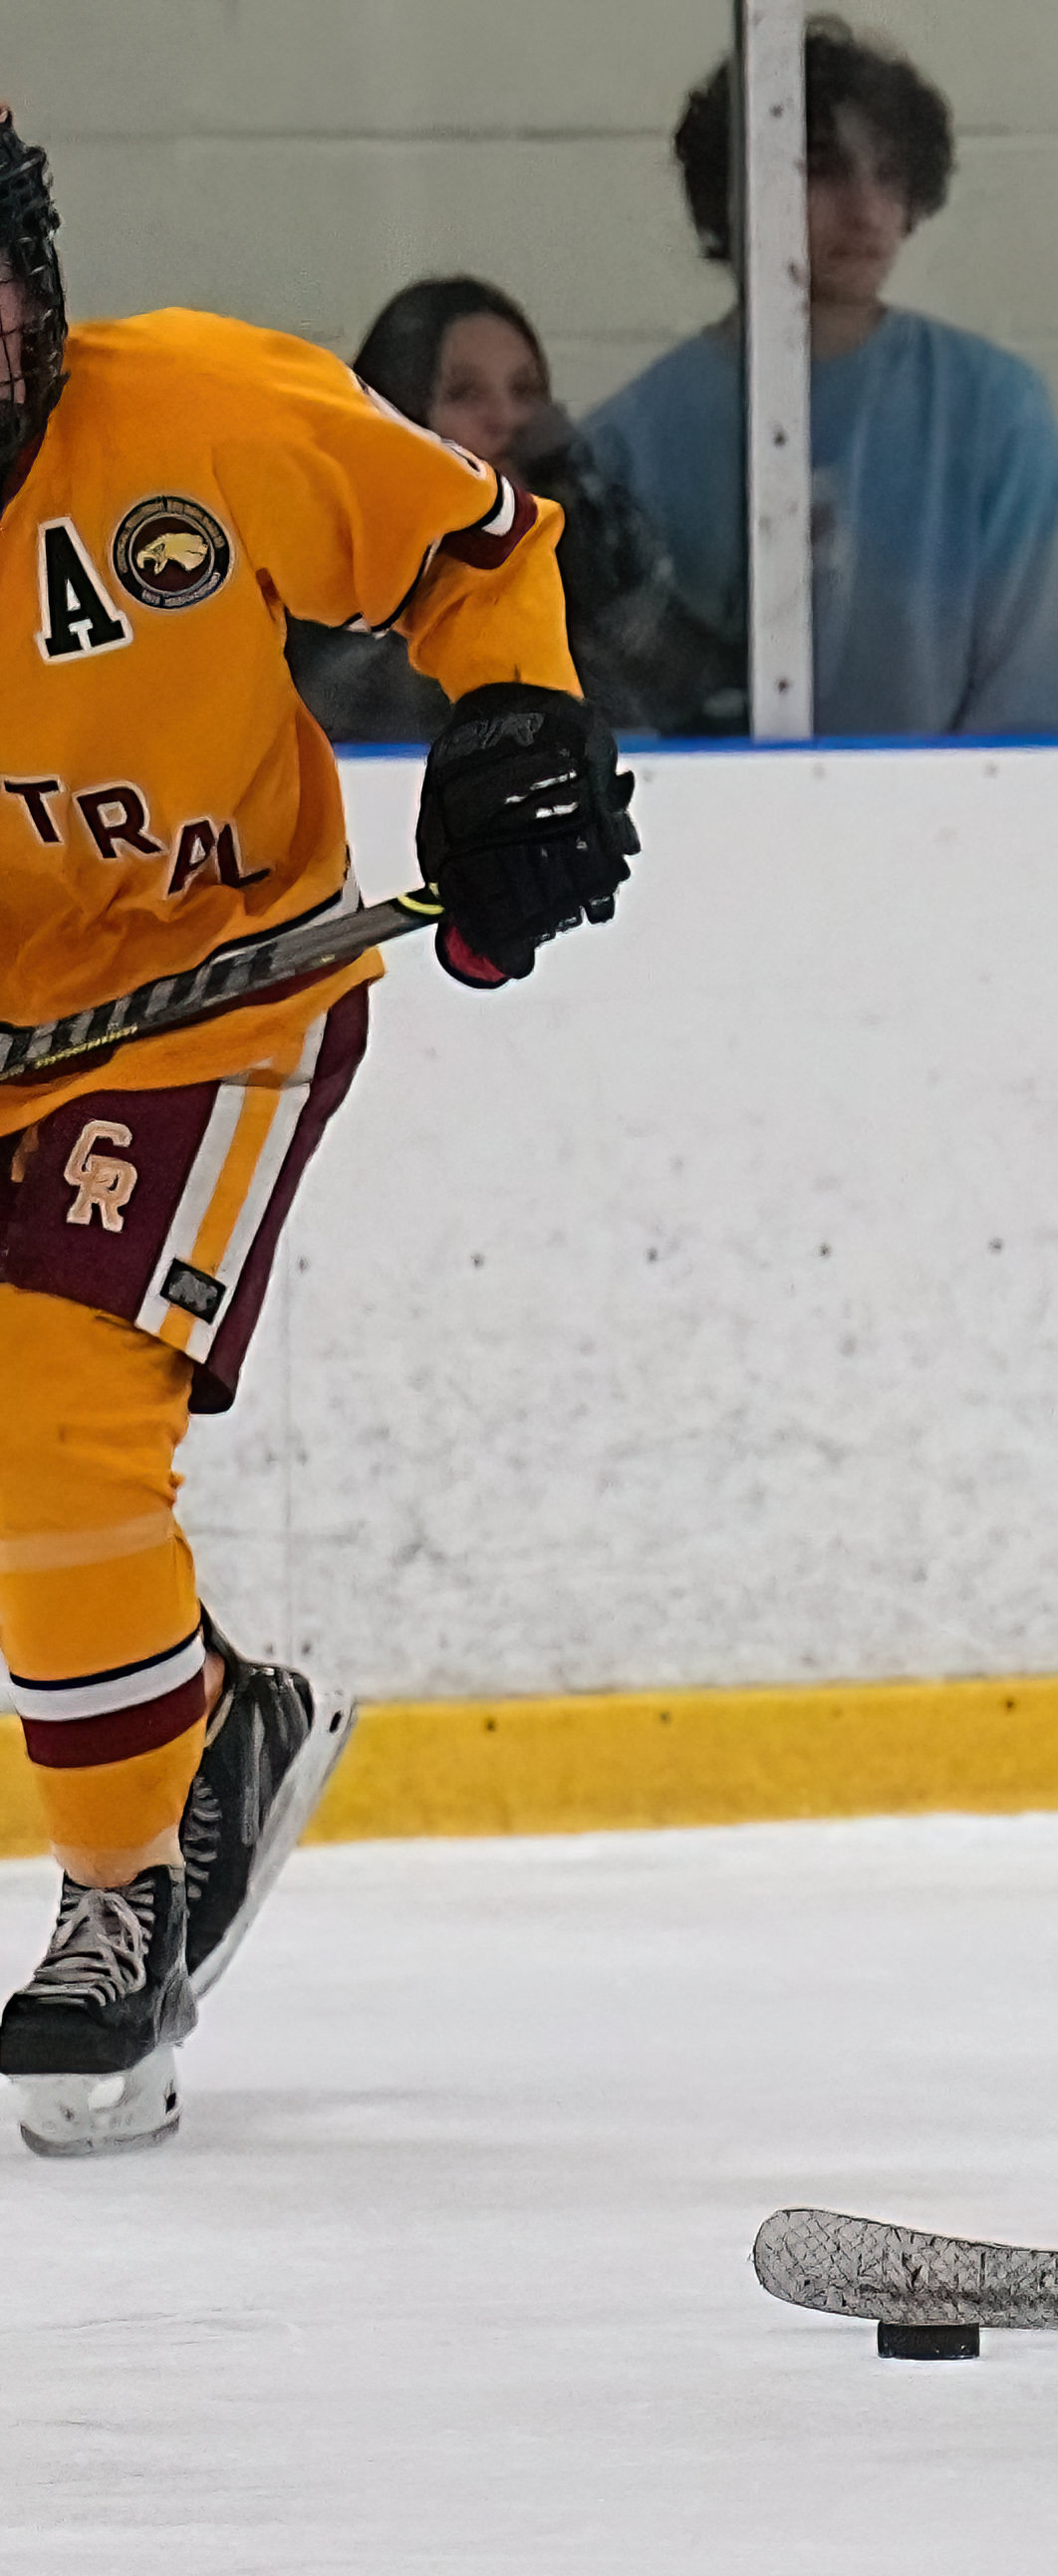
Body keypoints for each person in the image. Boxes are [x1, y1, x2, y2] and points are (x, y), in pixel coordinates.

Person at [0, 110, 633, 2153]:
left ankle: (121, 1896)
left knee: (45, 1399)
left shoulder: (200, 414)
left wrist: (512, 718)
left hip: (209, 999)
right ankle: (214, 1727)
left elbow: (477, 547)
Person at [588, 17, 1058, 737]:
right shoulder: (629, 438)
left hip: (953, 831)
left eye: (888, 173)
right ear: (733, 187)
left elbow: (1027, 702)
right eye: (819, 168)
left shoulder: (995, 408)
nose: (865, 209)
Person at [290, 277, 733, 741]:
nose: (507, 419)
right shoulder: (330, 563)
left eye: (526, 391)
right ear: (399, 414)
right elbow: (342, 712)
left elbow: (697, 694)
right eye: (465, 394)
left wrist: (593, 563)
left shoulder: (599, 537)